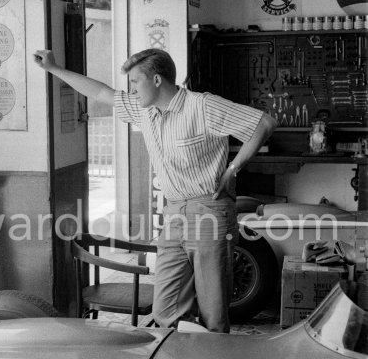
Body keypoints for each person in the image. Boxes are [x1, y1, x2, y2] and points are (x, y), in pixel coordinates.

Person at [33, 48, 276, 333]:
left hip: (209, 210)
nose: (131, 89)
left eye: (135, 82)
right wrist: (54, 69)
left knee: (214, 313)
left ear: (157, 80)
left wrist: (232, 168)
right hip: (173, 212)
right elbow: (100, 92)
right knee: (166, 310)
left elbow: (264, 123)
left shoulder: (203, 106)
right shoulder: (143, 109)